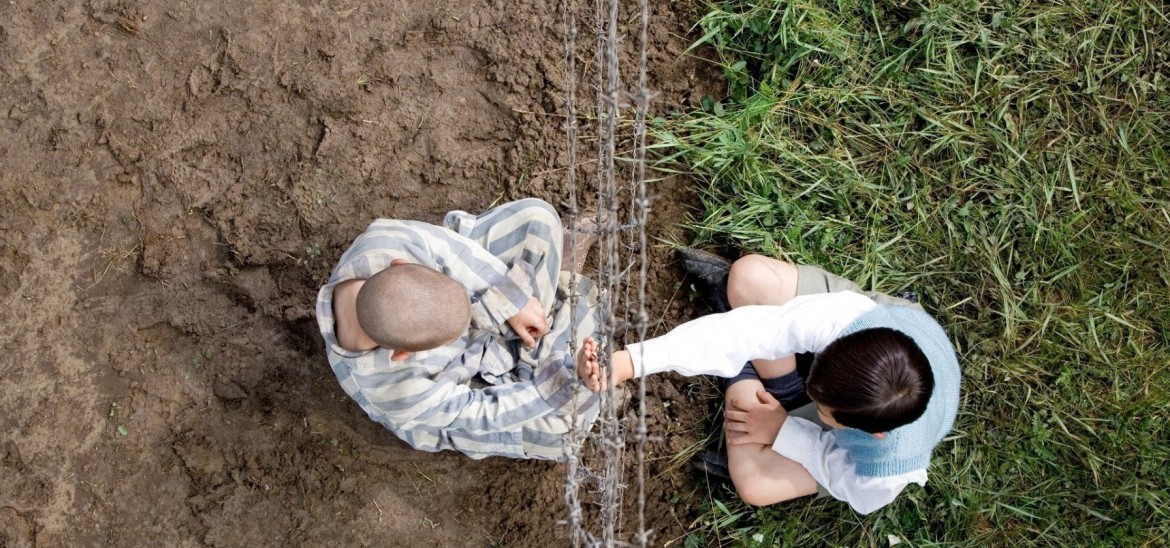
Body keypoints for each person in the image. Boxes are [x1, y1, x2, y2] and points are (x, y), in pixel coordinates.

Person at [579, 251, 960, 514]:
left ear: (871, 434)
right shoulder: (847, 320)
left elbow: (837, 472)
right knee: (749, 279)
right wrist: (628, 362)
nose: (821, 409)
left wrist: (784, 429)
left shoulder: (885, 468)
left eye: (825, 412)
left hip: (860, 429)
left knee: (755, 485)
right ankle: (777, 387)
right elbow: (754, 331)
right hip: (879, 337)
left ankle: (748, 379)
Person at [315, 198, 604, 460]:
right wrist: (550, 388)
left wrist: (510, 301)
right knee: (564, 432)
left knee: (538, 219)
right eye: (454, 335)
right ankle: (543, 358)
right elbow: (478, 411)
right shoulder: (398, 391)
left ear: (400, 264)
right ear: (403, 354)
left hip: (481, 301)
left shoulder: (385, 241)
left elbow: (453, 253)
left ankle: (535, 346)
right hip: (459, 383)